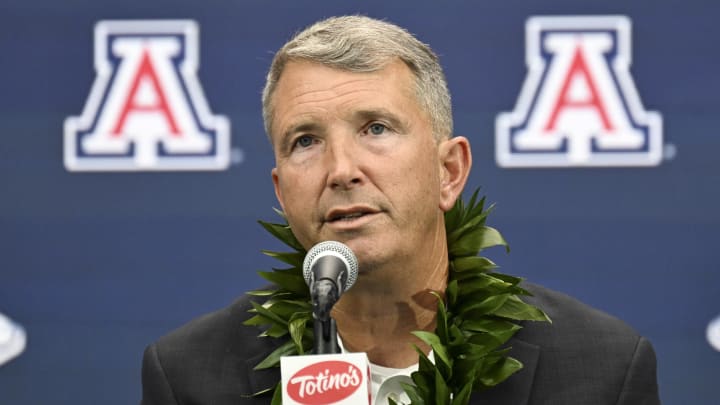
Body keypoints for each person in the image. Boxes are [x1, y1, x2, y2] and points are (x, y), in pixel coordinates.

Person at [141, 15, 660, 404]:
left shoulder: (599, 369)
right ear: (281, 192)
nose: (341, 169)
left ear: (449, 171)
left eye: (376, 129)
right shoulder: (189, 376)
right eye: (305, 140)